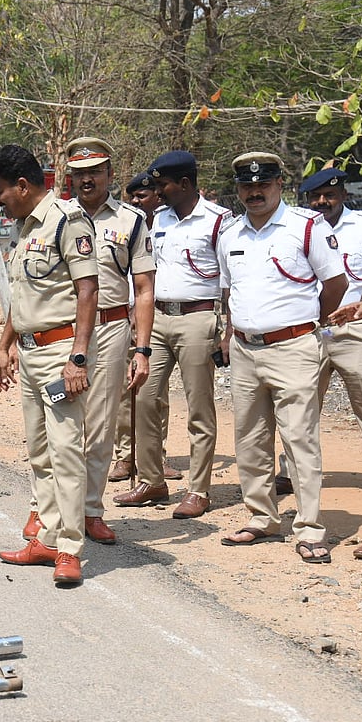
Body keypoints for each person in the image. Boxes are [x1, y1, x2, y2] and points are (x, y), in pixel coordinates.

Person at [216, 152, 346, 564]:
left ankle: (309, 528)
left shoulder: (305, 228)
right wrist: (231, 330)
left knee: (299, 440)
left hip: (294, 348)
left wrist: (311, 325)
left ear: (278, 185)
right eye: (247, 186)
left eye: (263, 184)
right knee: (250, 439)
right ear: (238, 190)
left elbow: (336, 284)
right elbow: (227, 291)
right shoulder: (230, 235)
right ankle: (262, 517)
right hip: (244, 349)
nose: (255, 192)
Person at [24, 138, 155, 546]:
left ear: (110, 175)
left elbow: (145, 288)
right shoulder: (52, 217)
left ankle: (90, 510)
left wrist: (142, 349)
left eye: (94, 172)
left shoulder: (131, 220)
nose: (86, 179)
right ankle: (42, 509)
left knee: (98, 427)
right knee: (52, 424)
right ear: (68, 177)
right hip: (61, 333)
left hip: (111, 330)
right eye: (78, 173)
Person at [0, 144, 98, 586]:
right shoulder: (25, 229)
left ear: (23, 185)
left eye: (0, 191)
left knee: (66, 451)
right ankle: (47, 539)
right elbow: (22, 297)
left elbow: (88, 292)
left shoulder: (68, 222)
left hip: (59, 355)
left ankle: (70, 548)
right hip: (29, 355)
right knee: (40, 453)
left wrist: (78, 357)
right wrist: (5, 345)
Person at [114, 150, 234, 519]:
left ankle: (198, 490)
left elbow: (230, 280)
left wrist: (227, 328)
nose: (158, 190)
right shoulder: (156, 220)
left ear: (184, 183)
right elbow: (145, 273)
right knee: (144, 399)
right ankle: (152, 481)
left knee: (199, 408)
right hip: (158, 320)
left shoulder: (219, 221)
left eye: (163, 184)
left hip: (198, 319)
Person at [273, 168, 362, 500]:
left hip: (354, 329)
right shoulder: (297, 226)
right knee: (298, 406)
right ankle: (290, 472)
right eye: (315, 196)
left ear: (343, 194)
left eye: (328, 195)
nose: (321, 202)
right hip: (308, 329)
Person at [111, 173, 181, 483]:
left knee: (155, 392)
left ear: (158, 196)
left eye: (143, 195)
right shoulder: (125, 225)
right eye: (133, 197)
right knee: (125, 391)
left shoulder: (171, 225)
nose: (137, 201)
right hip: (125, 314)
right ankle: (125, 456)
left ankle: (157, 455)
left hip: (157, 317)